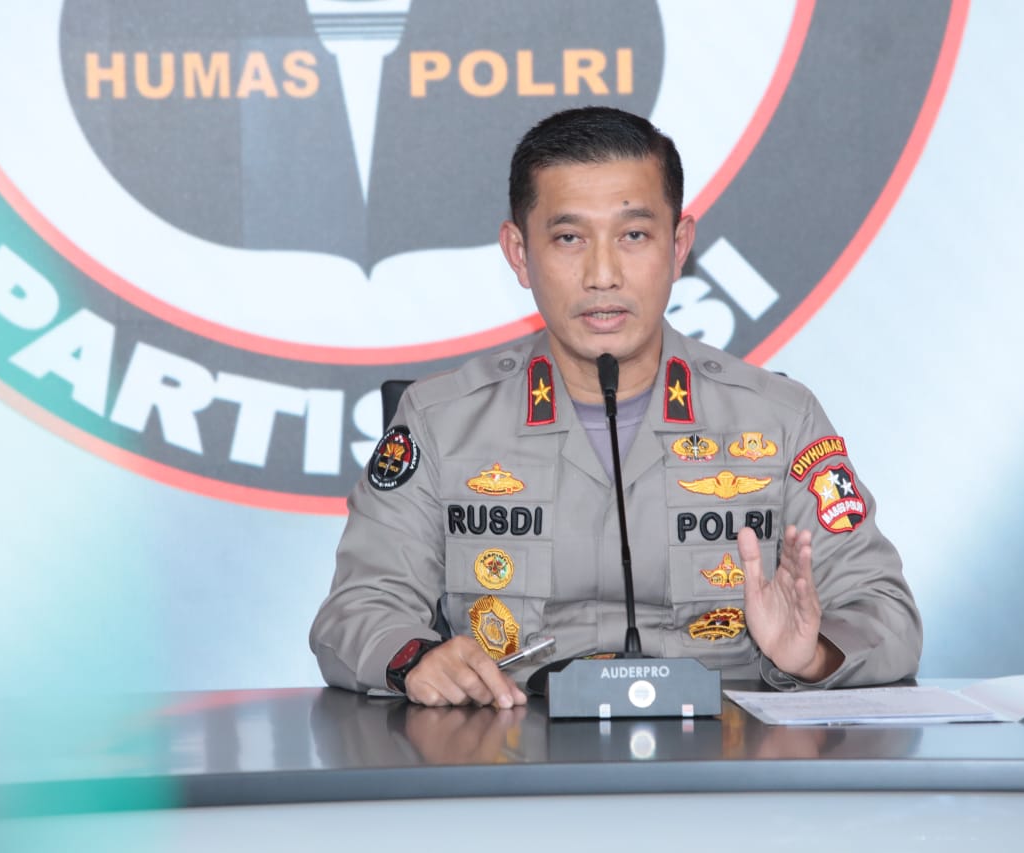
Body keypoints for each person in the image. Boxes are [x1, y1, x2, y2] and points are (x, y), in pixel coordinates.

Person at [310, 106, 921, 708]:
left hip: (724, 749)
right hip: (510, 744)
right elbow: (357, 611)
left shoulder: (780, 420)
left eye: (633, 235)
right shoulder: (441, 420)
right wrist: (417, 659)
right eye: (569, 238)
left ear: (679, 246)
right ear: (519, 253)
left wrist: (810, 656)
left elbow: (885, 613)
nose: (602, 275)